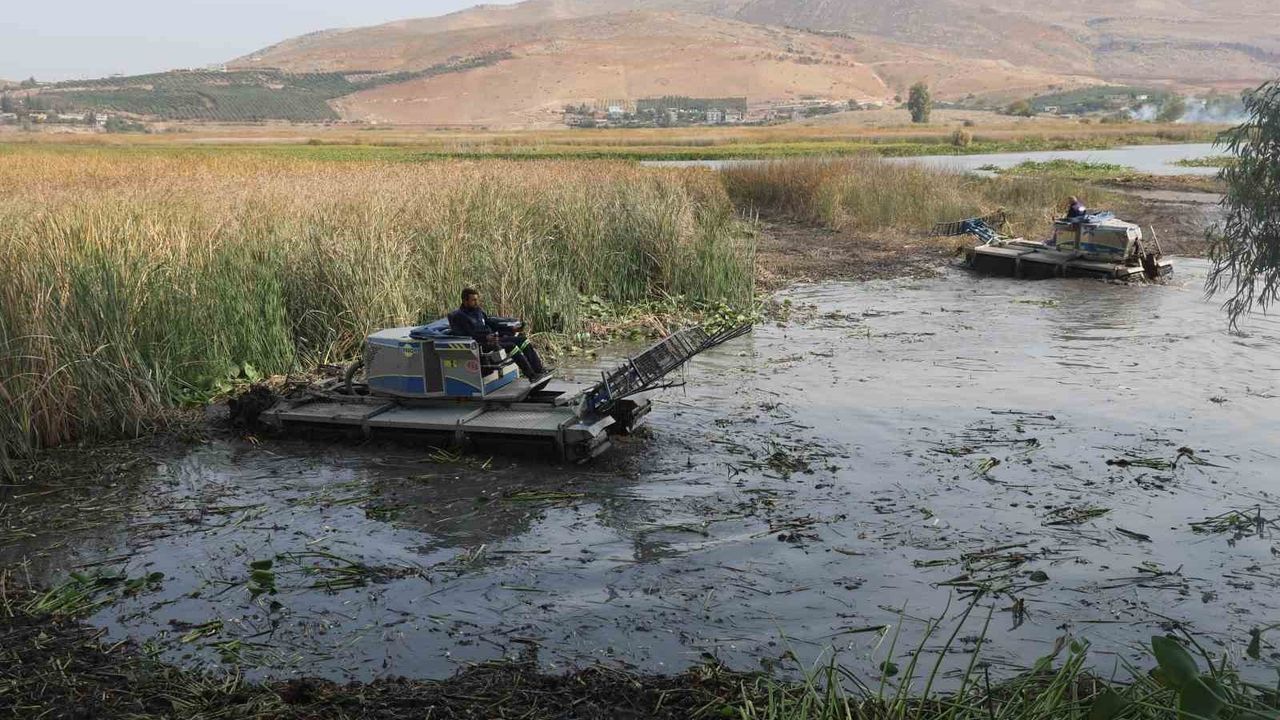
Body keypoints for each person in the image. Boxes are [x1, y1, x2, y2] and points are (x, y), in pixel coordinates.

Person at [448, 288, 549, 381]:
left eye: (477, 299)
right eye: (473, 300)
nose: (476, 302)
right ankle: (532, 376)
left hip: (494, 339)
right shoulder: (459, 317)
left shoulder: (478, 311)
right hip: (481, 344)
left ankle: (539, 370)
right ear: (465, 301)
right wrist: (486, 337)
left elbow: (492, 324)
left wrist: (511, 329)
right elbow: (468, 334)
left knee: (523, 340)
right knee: (512, 346)